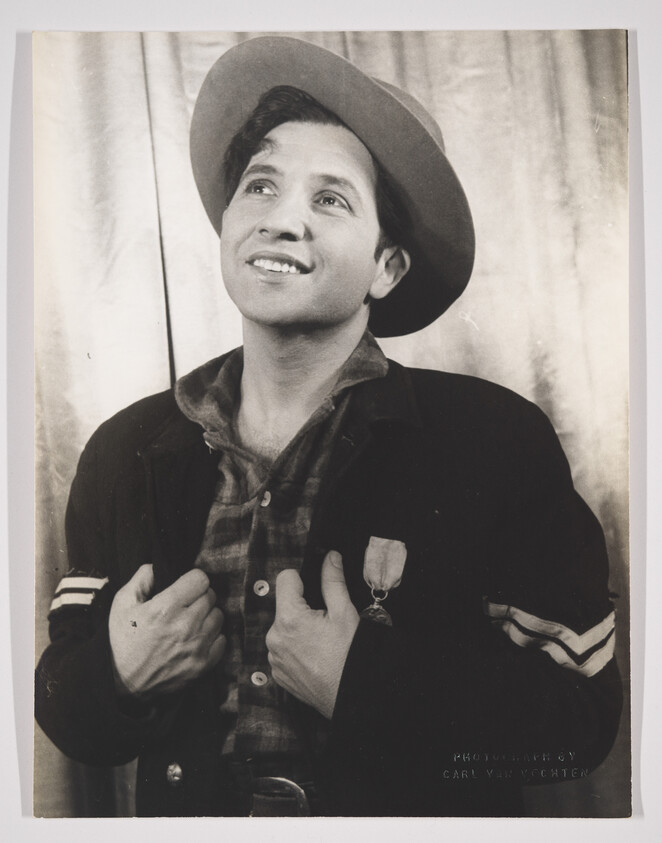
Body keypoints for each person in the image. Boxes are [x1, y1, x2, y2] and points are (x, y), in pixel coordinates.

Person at [35, 35, 622, 817]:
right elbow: (67, 707)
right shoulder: (125, 450)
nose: (281, 221)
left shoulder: (495, 441)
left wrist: (364, 683)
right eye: (261, 186)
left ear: (387, 265)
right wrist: (119, 671)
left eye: (330, 199)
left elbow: (578, 724)